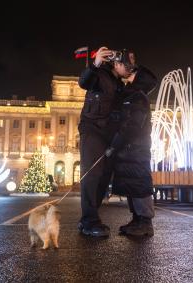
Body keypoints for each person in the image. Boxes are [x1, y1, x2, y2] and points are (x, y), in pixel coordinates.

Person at [77, 47, 133, 237]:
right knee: (92, 174)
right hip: (92, 128)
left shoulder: (120, 85)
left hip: (109, 134)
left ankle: (88, 218)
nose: (131, 68)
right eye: (129, 64)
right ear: (117, 63)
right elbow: (84, 82)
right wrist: (95, 64)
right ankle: (89, 221)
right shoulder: (99, 74)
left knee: (104, 176)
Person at [105, 56, 158, 236]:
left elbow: (133, 126)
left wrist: (115, 143)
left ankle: (145, 223)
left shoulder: (138, 96)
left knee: (140, 184)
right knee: (132, 184)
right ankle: (136, 220)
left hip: (136, 148)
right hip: (130, 149)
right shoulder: (132, 94)